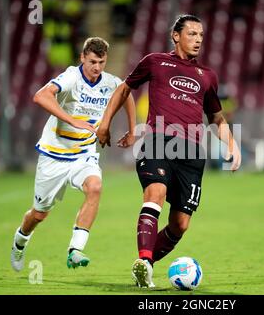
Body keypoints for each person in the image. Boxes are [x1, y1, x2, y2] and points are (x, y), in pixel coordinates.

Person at [96, 14, 242, 288]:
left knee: (180, 225)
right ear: (176, 35)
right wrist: (105, 123)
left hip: (192, 153)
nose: (198, 39)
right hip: (158, 140)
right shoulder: (155, 62)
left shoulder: (207, 76)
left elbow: (217, 118)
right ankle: (143, 260)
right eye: (192, 34)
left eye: (201, 35)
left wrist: (232, 146)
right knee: (155, 193)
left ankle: (146, 264)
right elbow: (124, 89)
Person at [10, 37, 136, 272]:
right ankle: (20, 240)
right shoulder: (71, 76)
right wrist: (73, 120)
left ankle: (75, 250)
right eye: (92, 61)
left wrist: (131, 130)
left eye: (101, 62)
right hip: (54, 155)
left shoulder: (109, 82)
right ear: (82, 58)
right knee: (38, 215)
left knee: (95, 187)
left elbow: (126, 94)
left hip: (84, 154)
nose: (97, 67)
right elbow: (40, 96)